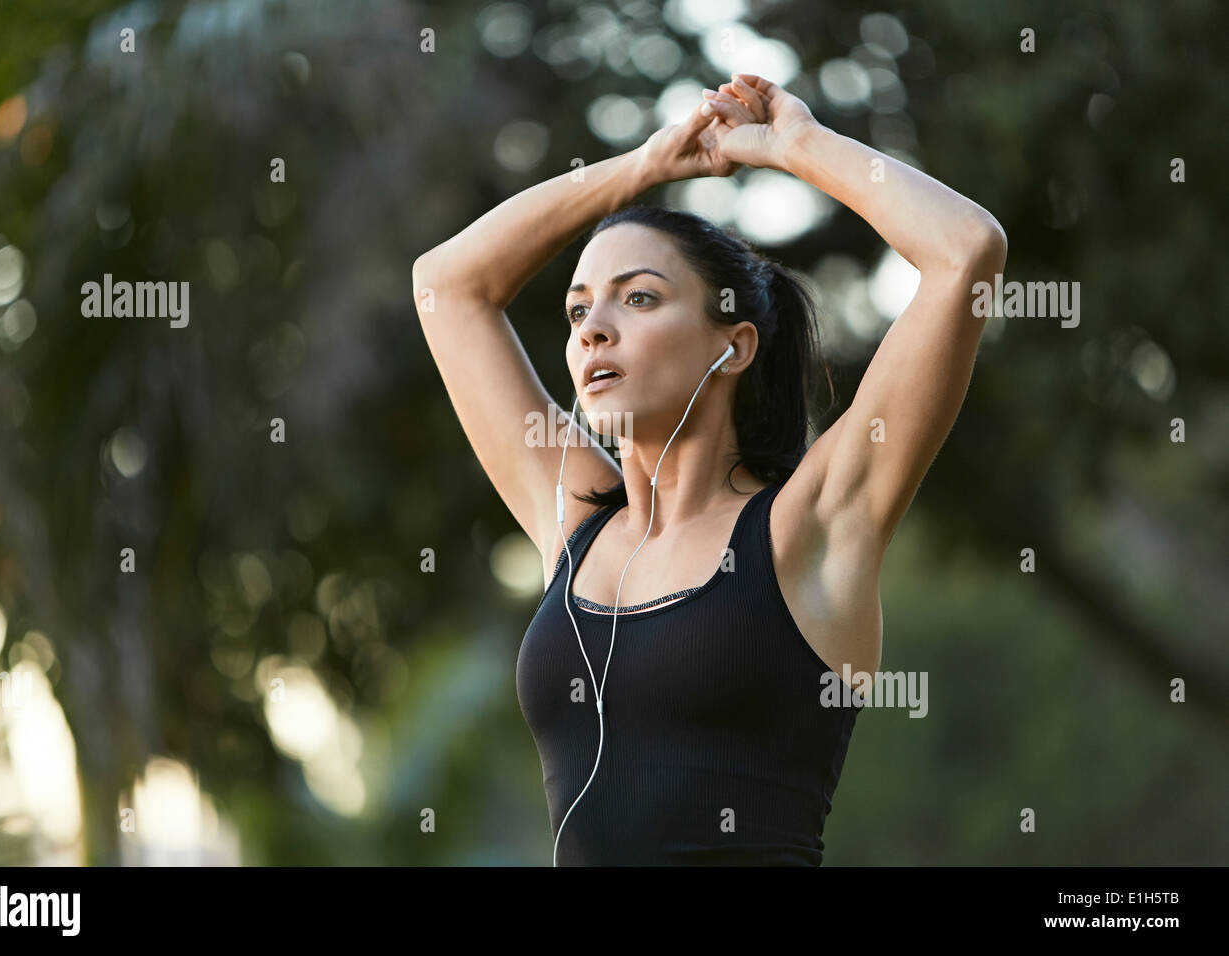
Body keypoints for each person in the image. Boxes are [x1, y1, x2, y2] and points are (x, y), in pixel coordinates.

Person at [411, 73, 1007, 865]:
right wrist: (643, 166)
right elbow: (447, 287)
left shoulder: (809, 528)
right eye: (579, 309)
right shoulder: (578, 523)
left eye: (640, 299)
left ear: (733, 344)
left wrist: (799, 148)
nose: (594, 330)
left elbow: (965, 252)